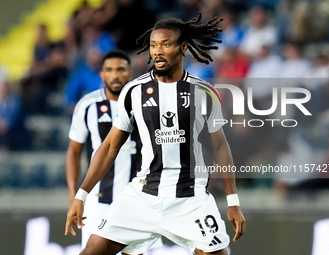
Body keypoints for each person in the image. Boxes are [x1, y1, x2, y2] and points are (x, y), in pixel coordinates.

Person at [65, 12, 246, 255]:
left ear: (183, 48)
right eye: (153, 45)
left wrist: (233, 201)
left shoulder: (203, 92)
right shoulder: (133, 92)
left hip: (189, 198)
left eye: (166, 44)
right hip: (142, 195)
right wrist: (81, 194)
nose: (157, 51)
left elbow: (220, 147)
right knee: (91, 251)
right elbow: (110, 147)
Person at [66, 49, 142, 253]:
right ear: (102, 74)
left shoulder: (144, 104)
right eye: (109, 70)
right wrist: (74, 197)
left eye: (120, 70)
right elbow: (74, 151)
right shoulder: (87, 105)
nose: (115, 75)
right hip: (98, 201)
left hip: (136, 201)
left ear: (129, 73)